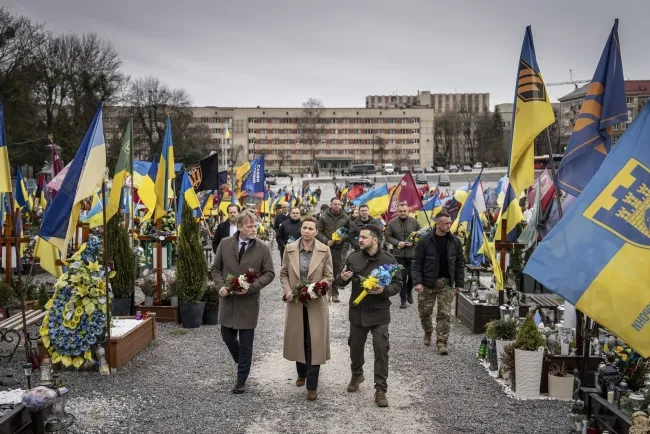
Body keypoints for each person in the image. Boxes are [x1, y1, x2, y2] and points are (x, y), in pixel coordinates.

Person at [336, 225, 402, 407]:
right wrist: (342, 278)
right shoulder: (353, 257)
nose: (360, 240)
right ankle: (357, 374)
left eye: (364, 237)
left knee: (381, 350)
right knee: (355, 348)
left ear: (375, 240)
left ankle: (381, 389)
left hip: (379, 313)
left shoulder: (388, 259)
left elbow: (398, 284)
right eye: (359, 237)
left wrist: (383, 290)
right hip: (357, 313)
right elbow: (340, 282)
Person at [212, 210, 275, 393]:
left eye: (255, 225)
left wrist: (253, 287)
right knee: (227, 336)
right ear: (240, 227)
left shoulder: (262, 247)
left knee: (247, 343)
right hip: (228, 301)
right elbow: (216, 268)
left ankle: (241, 380)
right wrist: (220, 286)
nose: (254, 229)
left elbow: (269, 273)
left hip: (248, 302)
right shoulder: (224, 244)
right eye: (250, 226)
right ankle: (243, 361)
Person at [280, 217, 333, 401]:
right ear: (300, 229)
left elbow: (328, 276)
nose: (307, 231)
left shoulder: (325, 250)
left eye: (311, 228)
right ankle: (301, 372)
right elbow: (284, 273)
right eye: (304, 228)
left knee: (314, 342)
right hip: (295, 302)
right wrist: (287, 291)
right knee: (298, 339)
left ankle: (312, 386)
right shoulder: (290, 249)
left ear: (316, 231)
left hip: (316, 303)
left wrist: (317, 289)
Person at [412, 210, 464, 355]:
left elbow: (460, 263)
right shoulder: (425, 240)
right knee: (424, 312)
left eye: (450, 222)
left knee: (444, 314)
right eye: (446, 223)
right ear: (437, 223)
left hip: (446, 284)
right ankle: (428, 331)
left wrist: (459, 283)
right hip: (427, 283)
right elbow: (416, 262)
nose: (449, 225)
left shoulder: (454, 241)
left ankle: (442, 342)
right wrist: (417, 282)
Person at [385, 202, 421, 309]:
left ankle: (409, 291)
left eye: (405, 211)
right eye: (400, 211)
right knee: (402, 276)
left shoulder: (414, 222)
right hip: (398, 255)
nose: (403, 213)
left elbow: (421, 235)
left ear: (408, 211)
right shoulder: (392, 223)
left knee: (412, 276)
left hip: (412, 254)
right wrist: (397, 243)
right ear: (397, 212)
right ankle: (403, 298)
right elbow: (388, 236)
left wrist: (413, 242)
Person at [316, 198, 350, 303]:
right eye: (334, 204)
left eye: (338, 204)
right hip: (324, 248)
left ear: (341, 205)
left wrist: (342, 239)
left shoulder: (345, 217)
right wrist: (326, 241)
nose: (337, 206)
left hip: (338, 249)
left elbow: (350, 232)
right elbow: (318, 232)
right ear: (331, 205)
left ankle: (335, 293)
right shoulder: (324, 217)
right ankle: (325, 292)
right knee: (323, 270)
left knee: (336, 271)